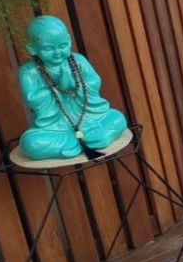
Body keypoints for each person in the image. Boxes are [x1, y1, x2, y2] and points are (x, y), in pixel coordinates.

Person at [18, 15, 127, 160]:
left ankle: (98, 136)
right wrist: (56, 88)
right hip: (55, 127)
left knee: (117, 118)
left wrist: (75, 84)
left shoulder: (78, 60)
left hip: (89, 117)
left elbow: (94, 81)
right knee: (30, 143)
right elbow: (32, 98)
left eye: (62, 46)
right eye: (49, 48)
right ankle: (76, 141)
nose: (57, 52)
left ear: (69, 40)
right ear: (32, 48)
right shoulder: (28, 71)